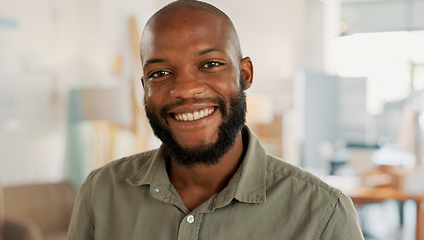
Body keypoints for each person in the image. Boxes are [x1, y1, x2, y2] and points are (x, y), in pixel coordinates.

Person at [68, 0, 364, 239]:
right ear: (144, 87)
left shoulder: (322, 213)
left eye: (210, 64)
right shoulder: (101, 191)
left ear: (244, 74)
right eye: (160, 73)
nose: (185, 90)